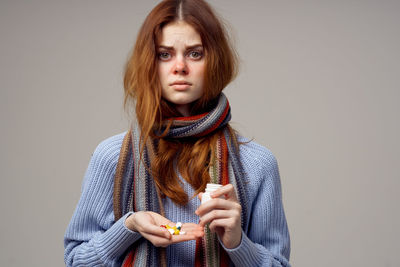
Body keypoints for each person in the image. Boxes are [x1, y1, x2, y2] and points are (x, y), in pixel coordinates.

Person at [64, 0, 291, 266]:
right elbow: (75, 261)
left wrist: (237, 243)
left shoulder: (257, 164)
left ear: (215, 61)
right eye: (165, 54)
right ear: (150, 62)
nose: (179, 67)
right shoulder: (112, 157)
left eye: (195, 53)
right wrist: (129, 226)